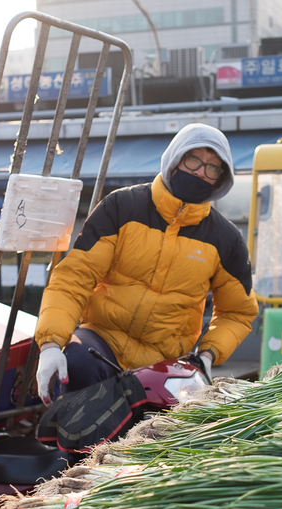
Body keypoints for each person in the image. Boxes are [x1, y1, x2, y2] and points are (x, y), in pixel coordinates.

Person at [34, 123, 259, 402]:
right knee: (77, 364)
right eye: (194, 160)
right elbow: (73, 279)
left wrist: (208, 354)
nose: (201, 171)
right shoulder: (121, 207)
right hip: (103, 341)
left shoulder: (225, 239)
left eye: (213, 168)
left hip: (167, 361)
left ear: (220, 179)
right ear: (175, 158)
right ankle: (72, 446)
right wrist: (51, 344)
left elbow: (238, 312)